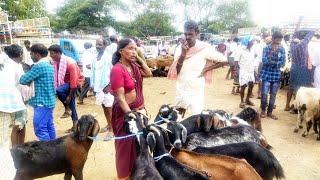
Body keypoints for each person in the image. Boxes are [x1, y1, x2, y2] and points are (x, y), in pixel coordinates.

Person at [110, 38, 152, 179]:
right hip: (126, 115)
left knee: (139, 144)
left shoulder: (134, 66)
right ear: (121, 51)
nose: (133, 52)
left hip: (139, 111)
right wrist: (130, 116)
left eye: (135, 49)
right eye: (130, 49)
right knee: (125, 146)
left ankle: (137, 172)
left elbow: (149, 73)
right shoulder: (117, 70)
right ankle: (124, 176)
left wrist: (138, 58)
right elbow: (120, 98)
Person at [168, 20, 227, 115]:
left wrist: (206, 69)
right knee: (178, 117)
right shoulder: (180, 48)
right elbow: (177, 71)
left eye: (190, 34)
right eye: (185, 34)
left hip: (196, 90)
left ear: (197, 33)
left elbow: (225, 60)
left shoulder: (205, 48)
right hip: (181, 88)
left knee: (196, 118)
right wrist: (183, 54)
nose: (187, 37)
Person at [20, 44, 56, 141]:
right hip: (49, 100)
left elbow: (23, 80)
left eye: (31, 54)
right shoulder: (48, 64)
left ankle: (47, 153)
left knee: (40, 129)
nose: (30, 56)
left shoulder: (39, 66)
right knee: (49, 126)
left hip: (42, 102)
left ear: (37, 54)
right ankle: (54, 148)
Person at [48, 44, 84, 132]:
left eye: (52, 54)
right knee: (72, 105)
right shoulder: (55, 62)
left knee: (60, 91)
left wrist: (69, 96)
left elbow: (74, 82)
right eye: (50, 54)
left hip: (75, 83)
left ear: (59, 53)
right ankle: (75, 125)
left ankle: (67, 109)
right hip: (65, 83)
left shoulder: (70, 63)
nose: (51, 56)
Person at [0, 46, 22, 180]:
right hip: (8, 106)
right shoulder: (10, 63)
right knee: (3, 142)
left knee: (2, 144)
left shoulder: (7, 63)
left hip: (4, 106)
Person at [284, 17, 315, 111]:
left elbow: (294, 33)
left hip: (294, 67)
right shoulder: (303, 43)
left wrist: (299, 22)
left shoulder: (292, 44)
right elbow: (312, 32)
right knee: (300, 89)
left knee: (291, 87)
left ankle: (287, 105)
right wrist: (306, 28)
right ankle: (296, 107)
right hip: (303, 69)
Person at [260, 32, 285, 119]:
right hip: (266, 74)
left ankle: (270, 112)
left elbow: (283, 62)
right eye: (277, 39)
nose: (279, 41)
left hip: (276, 75)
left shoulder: (282, 49)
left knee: (273, 95)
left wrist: (273, 63)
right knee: (264, 94)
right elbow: (264, 60)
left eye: (280, 40)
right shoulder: (266, 48)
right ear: (273, 39)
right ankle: (263, 110)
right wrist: (273, 62)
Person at [91, 39, 114, 134]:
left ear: (105, 46)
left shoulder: (109, 57)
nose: (98, 46)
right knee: (104, 107)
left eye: (100, 44)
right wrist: (92, 85)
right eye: (96, 44)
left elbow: (113, 72)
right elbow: (94, 72)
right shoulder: (95, 57)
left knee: (110, 109)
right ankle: (109, 125)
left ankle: (112, 130)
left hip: (107, 87)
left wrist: (109, 85)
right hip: (98, 87)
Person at [238, 37, 256, 108]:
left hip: (251, 70)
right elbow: (236, 61)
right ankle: (242, 101)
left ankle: (247, 99)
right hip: (243, 71)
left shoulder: (252, 50)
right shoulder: (241, 50)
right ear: (247, 42)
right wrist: (236, 70)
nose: (253, 43)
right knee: (243, 86)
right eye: (252, 41)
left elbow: (254, 57)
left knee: (251, 85)